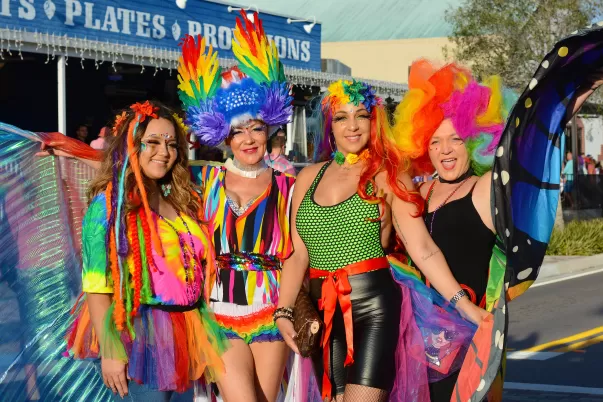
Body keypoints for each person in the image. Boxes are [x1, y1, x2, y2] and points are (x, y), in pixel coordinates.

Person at [275, 79, 486, 402]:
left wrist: (466, 306)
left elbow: (423, 249)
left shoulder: (388, 174)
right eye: (342, 117)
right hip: (323, 313)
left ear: (373, 121)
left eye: (361, 115)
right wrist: (283, 310)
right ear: (330, 126)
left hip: (375, 309)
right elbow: (297, 254)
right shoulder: (306, 178)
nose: (352, 126)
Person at [64, 101, 227, 400]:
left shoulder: (181, 198)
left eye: (171, 144)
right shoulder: (109, 205)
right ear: (130, 146)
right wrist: (111, 352)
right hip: (144, 337)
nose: (164, 152)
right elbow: (96, 285)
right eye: (152, 142)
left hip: (190, 332)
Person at [177, 12, 295, 401]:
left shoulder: (289, 187)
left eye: (256, 128)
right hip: (218, 312)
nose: (249, 139)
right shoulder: (201, 181)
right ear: (225, 138)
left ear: (269, 130)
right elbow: (142, 171)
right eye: (238, 131)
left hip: (272, 312)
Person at [392, 59, 517, 401]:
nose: (444, 150)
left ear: (475, 142)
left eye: (455, 139)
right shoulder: (419, 193)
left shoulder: (485, 187)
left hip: (468, 331)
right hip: (417, 338)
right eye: (434, 141)